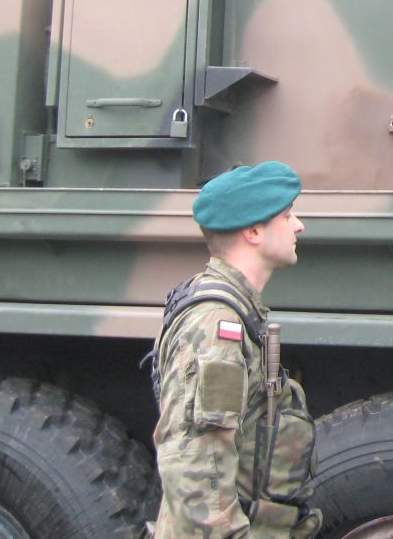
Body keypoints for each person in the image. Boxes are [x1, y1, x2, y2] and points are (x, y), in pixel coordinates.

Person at [149, 161, 321, 539]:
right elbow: (197, 470)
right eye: (287, 216)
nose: (299, 225)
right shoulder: (217, 326)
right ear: (254, 232)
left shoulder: (236, 312)